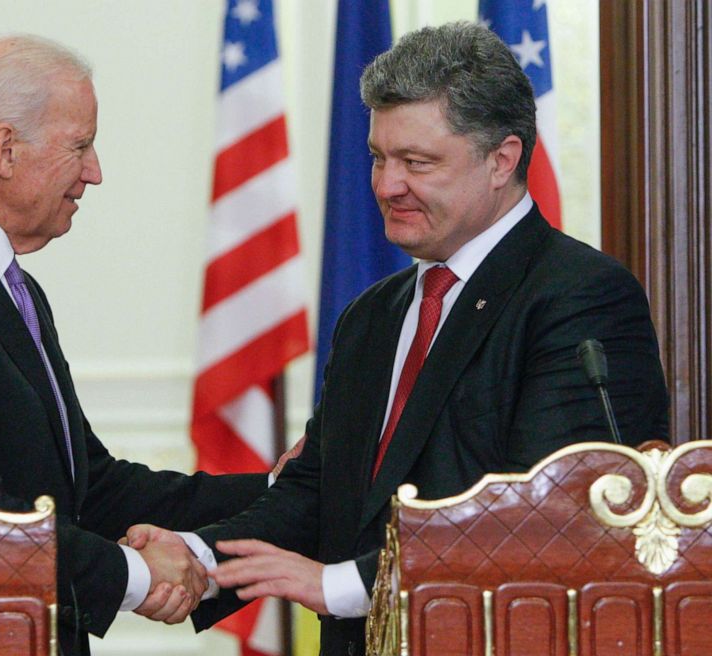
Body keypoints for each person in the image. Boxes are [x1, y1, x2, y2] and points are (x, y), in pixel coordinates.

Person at [127, 21, 669, 655]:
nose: (386, 186)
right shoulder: (372, 317)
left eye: (417, 163)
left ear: (502, 160)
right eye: (380, 157)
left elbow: (554, 515)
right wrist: (196, 553)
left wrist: (341, 585)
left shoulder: (578, 296)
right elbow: (317, 489)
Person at [0, 35, 273, 655]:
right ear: (6, 149)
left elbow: (91, 488)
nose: (95, 171)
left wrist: (284, 490)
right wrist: (138, 577)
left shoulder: (9, 286)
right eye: (81, 145)